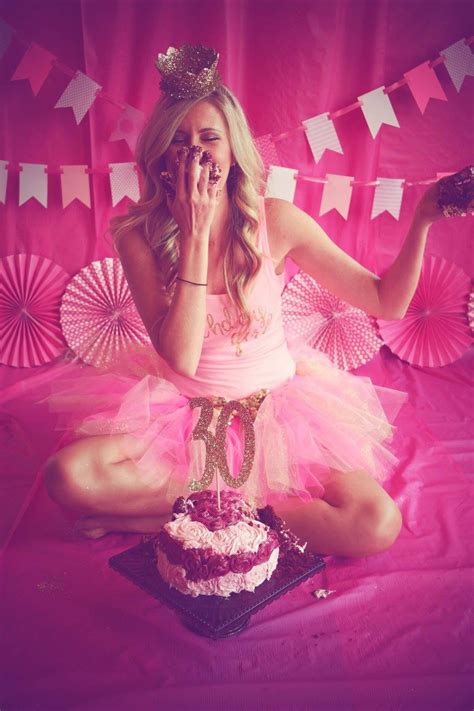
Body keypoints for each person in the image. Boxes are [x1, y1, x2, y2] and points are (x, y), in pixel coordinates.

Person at [42, 45, 445, 558]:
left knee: (375, 524)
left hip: (278, 414)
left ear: (234, 149)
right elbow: (182, 358)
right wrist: (194, 232)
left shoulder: (276, 221)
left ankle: (181, 513)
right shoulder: (136, 235)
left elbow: (385, 301)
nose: (196, 153)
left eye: (210, 138)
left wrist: (424, 219)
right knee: (67, 477)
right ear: (161, 153)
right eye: (179, 141)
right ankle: (223, 506)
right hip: (179, 416)